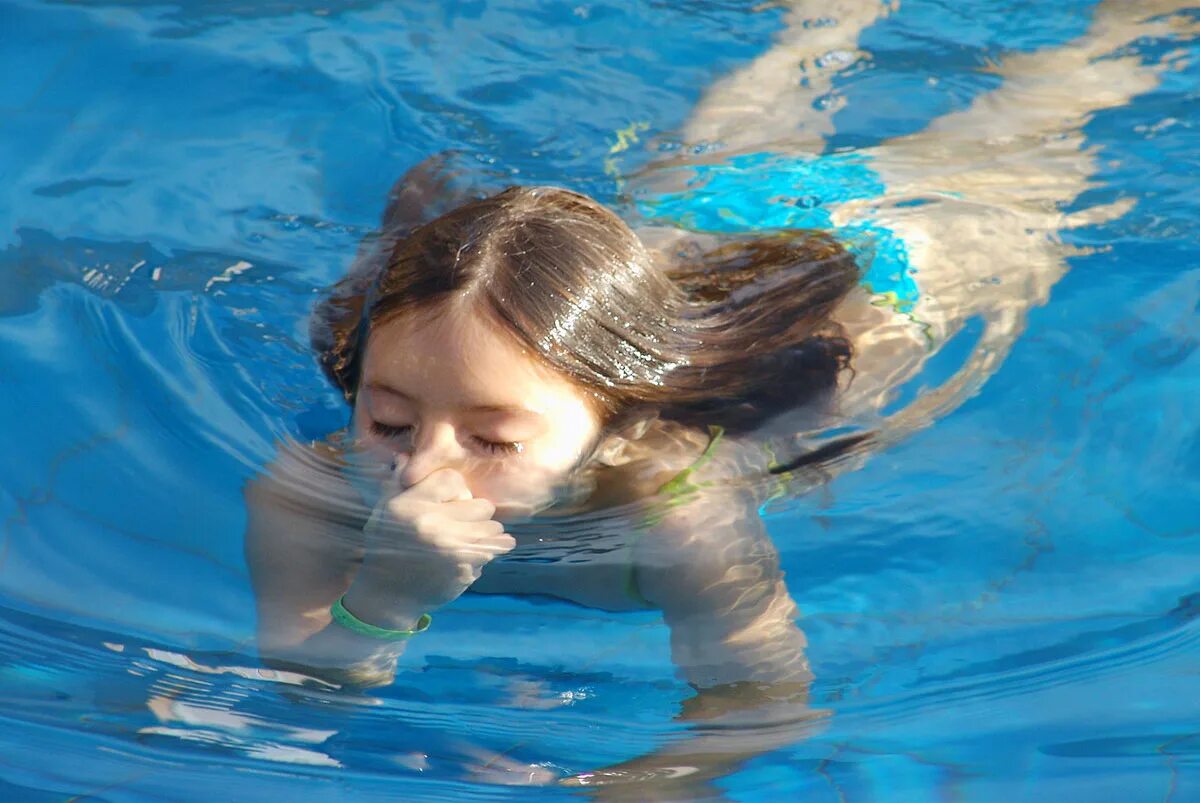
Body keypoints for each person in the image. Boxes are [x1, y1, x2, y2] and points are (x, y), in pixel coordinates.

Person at [245, 0, 1196, 792]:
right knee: (732, 143)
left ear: (619, 421)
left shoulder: (677, 512)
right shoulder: (303, 493)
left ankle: (1120, 32)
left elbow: (769, 703)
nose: (423, 465)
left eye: (493, 440)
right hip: (708, 226)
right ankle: (822, 25)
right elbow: (310, 690)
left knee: (1030, 131)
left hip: (903, 263)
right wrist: (384, 597)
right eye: (389, 419)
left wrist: (625, 785)